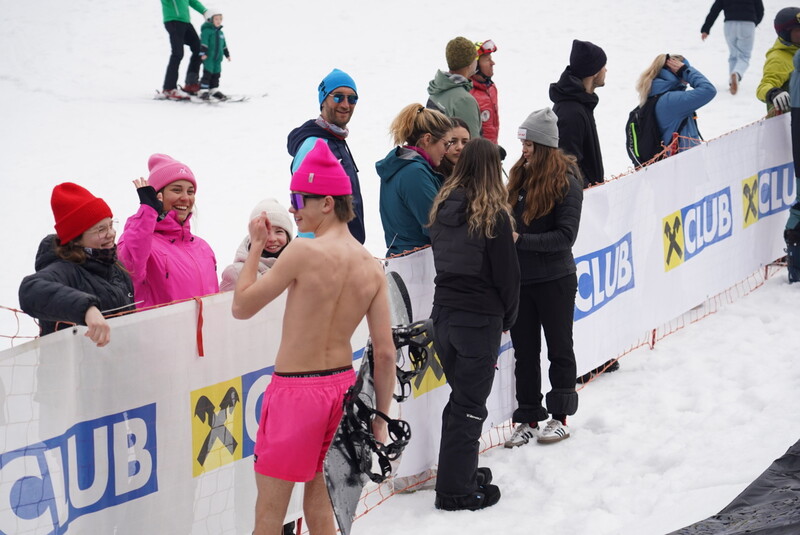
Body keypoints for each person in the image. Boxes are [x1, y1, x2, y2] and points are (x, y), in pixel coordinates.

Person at [231, 139, 396, 535]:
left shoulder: (302, 254)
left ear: (326, 203)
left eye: (298, 199)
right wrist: (380, 419)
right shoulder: (371, 266)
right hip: (343, 393)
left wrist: (255, 248)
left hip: (294, 394)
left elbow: (242, 306)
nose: (292, 208)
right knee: (323, 517)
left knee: (269, 516)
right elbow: (386, 353)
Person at [428, 138, 520, 511]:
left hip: (444, 318)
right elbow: (509, 278)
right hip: (476, 321)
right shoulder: (492, 215)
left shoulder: (443, 206)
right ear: (490, 170)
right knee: (468, 408)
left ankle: (459, 474)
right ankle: (455, 493)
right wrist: (508, 318)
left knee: (461, 403)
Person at [503, 108, 583, 448]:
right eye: (522, 141)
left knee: (559, 348)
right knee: (524, 352)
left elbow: (566, 237)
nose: (524, 149)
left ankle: (560, 416)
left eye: (530, 143)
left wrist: (521, 240)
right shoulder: (519, 174)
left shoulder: (566, 180)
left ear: (545, 145)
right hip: (522, 281)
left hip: (555, 280)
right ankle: (528, 416)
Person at [19, 183, 134, 347]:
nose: (111, 234)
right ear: (76, 238)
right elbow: (30, 290)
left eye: (111, 225)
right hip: (75, 370)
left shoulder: (114, 266)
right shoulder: (64, 269)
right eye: (101, 229)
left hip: (117, 367)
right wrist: (87, 309)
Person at [118, 154, 219, 309]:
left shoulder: (203, 247)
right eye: (177, 190)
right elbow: (130, 269)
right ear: (157, 195)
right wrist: (148, 212)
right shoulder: (139, 240)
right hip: (161, 332)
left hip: (205, 333)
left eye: (190, 191)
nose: (185, 198)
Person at [287, 69, 365, 244]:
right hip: (324, 253)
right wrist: (311, 248)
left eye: (352, 98)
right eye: (338, 97)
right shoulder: (313, 145)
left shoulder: (337, 140)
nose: (346, 105)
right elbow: (299, 200)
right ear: (323, 100)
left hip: (345, 249)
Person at [376, 104, 454, 256]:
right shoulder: (414, 172)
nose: (447, 150)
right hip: (416, 263)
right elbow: (436, 225)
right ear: (427, 139)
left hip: (405, 259)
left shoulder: (401, 166)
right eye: (446, 144)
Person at [549, 39, 608, 188]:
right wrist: (590, 192)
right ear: (594, 72)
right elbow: (567, 167)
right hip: (581, 202)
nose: (606, 70)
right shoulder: (571, 111)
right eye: (603, 66)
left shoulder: (581, 104)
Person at [635, 54, 716, 156]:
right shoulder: (671, 100)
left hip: (675, 161)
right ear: (675, 70)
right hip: (685, 162)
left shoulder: (657, 96)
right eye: (684, 68)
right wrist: (686, 71)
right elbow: (709, 90)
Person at [220, 198, 293, 292]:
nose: (272, 239)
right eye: (265, 232)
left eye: (279, 231)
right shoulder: (236, 272)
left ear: (288, 236)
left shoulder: (299, 268)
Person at [700, 0, 765, 95]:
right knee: (744, 55)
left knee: (733, 55)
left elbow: (714, 10)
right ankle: (737, 74)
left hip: (729, 24)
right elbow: (760, 10)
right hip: (747, 23)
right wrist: (755, 22)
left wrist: (706, 29)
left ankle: (732, 82)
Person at [427, 36, 482, 138]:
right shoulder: (464, 100)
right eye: (476, 58)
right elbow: (472, 147)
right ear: (469, 63)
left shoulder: (437, 89)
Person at [160, 0, 206, 100]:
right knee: (177, 54)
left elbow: (193, 1)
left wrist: (205, 11)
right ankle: (168, 88)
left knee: (198, 50)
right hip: (173, 21)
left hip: (185, 22)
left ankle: (191, 84)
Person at [757, 7, 800, 114]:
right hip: (788, 122)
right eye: (798, 30)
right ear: (785, 33)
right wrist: (773, 93)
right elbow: (764, 86)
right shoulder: (779, 58)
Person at [470, 39, 500, 144]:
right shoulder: (468, 92)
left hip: (491, 151)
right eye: (487, 60)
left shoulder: (491, 88)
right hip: (478, 154)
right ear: (476, 65)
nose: (493, 63)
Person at [198, 7, 231, 101]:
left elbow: (224, 45)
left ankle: (214, 89)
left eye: (220, 19)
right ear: (210, 19)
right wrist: (203, 53)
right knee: (208, 73)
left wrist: (227, 54)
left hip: (218, 58)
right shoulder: (206, 32)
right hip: (208, 57)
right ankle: (203, 90)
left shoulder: (221, 33)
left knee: (216, 74)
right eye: (216, 19)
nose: (219, 21)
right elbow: (204, 43)